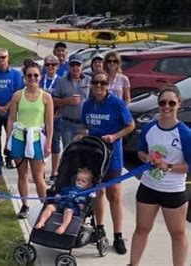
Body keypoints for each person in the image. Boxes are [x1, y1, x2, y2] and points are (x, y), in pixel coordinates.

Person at [75, 72, 135, 255]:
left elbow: (130, 125)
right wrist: (81, 134)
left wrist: (115, 136)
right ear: (91, 85)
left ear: (108, 85)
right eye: (95, 82)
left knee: (114, 195)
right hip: (94, 155)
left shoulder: (116, 103)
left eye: (102, 83)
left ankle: (118, 235)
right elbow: (85, 126)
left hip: (112, 155)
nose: (99, 86)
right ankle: (99, 228)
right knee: (97, 192)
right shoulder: (88, 105)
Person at [130, 86, 190, 266]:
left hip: (173, 190)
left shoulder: (185, 133)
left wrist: (168, 166)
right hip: (149, 187)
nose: (167, 106)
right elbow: (140, 150)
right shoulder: (150, 128)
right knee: (141, 229)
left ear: (179, 104)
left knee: (178, 234)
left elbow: (189, 166)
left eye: (171, 103)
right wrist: (144, 157)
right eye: (163, 102)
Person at [6, 61, 54, 219]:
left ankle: (45, 205)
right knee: (22, 174)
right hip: (20, 137)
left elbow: (49, 122)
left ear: (40, 76)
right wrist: (8, 140)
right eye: (29, 75)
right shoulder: (17, 95)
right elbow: (12, 118)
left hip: (36, 139)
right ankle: (25, 205)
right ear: (24, 77)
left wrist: (48, 143)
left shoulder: (46, 97)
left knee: (38, 176)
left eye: (35, 75)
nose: (32, 78)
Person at [0, 48, 24, 169]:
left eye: (3, 57)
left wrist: (7, 107)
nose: (1, 60)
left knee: (10, 136)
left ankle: (9, 158)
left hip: (10, 113)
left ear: (8, 58)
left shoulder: (16, 75)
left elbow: (18, 93)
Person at [35, 168, 94, 234]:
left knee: (68, 212)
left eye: (83, 181)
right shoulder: (70, 188)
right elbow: (62, 193)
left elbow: (86, 202)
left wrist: (82, 204)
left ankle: (63, 227)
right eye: (78, 180)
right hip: (62, 204)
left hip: (73, 207)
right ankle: (42, 221)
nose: (79, 182)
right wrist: (58, 196)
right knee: (49, 207)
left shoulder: (86, 192)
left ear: (89, 185)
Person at [53, 53, 91, 148]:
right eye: (72, 65)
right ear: (68, 66)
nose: (75, 67)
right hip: (67, 124)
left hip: (84, 124)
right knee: (69, 152)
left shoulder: (89, 80)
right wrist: (66, 101)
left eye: (77, 65)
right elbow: (53, 100)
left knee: (83, 152)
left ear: (82, 66)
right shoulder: (61, 81)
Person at [39, 54, 62, 182]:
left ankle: (54, 173)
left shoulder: (61, 81)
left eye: (53, 65)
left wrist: (56, 114)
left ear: (57, 66)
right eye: (48, 64)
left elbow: (64, 100)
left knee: (55, 145)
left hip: (56, 117)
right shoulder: (40, 80)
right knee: (42, 144)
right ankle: (40, 171)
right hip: (41, 119)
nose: (50, 67)